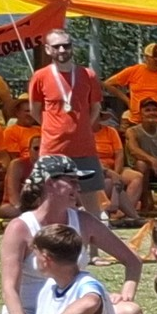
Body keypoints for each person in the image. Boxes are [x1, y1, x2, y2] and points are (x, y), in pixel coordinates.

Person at [0, 157, 143, 314]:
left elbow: (133, 261)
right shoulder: (20, 228)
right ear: (50, 183)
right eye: (71, 182)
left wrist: (126, 294)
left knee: (130, 312)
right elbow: (9, 289)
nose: (78, 188)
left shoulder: (84, 221)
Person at [26, 27, 108, 216]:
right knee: (51, 200)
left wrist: (83, 126)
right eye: (56, 47)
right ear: (48, 49)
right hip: (53, 148)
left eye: (66, 45)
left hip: (84, 147)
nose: (62, 50)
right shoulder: (40, 76)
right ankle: (52, 236)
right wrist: (53, 127)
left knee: (91, 203)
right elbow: (35, 110)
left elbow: (95, 107)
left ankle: (92, 237)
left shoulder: (88, 75)